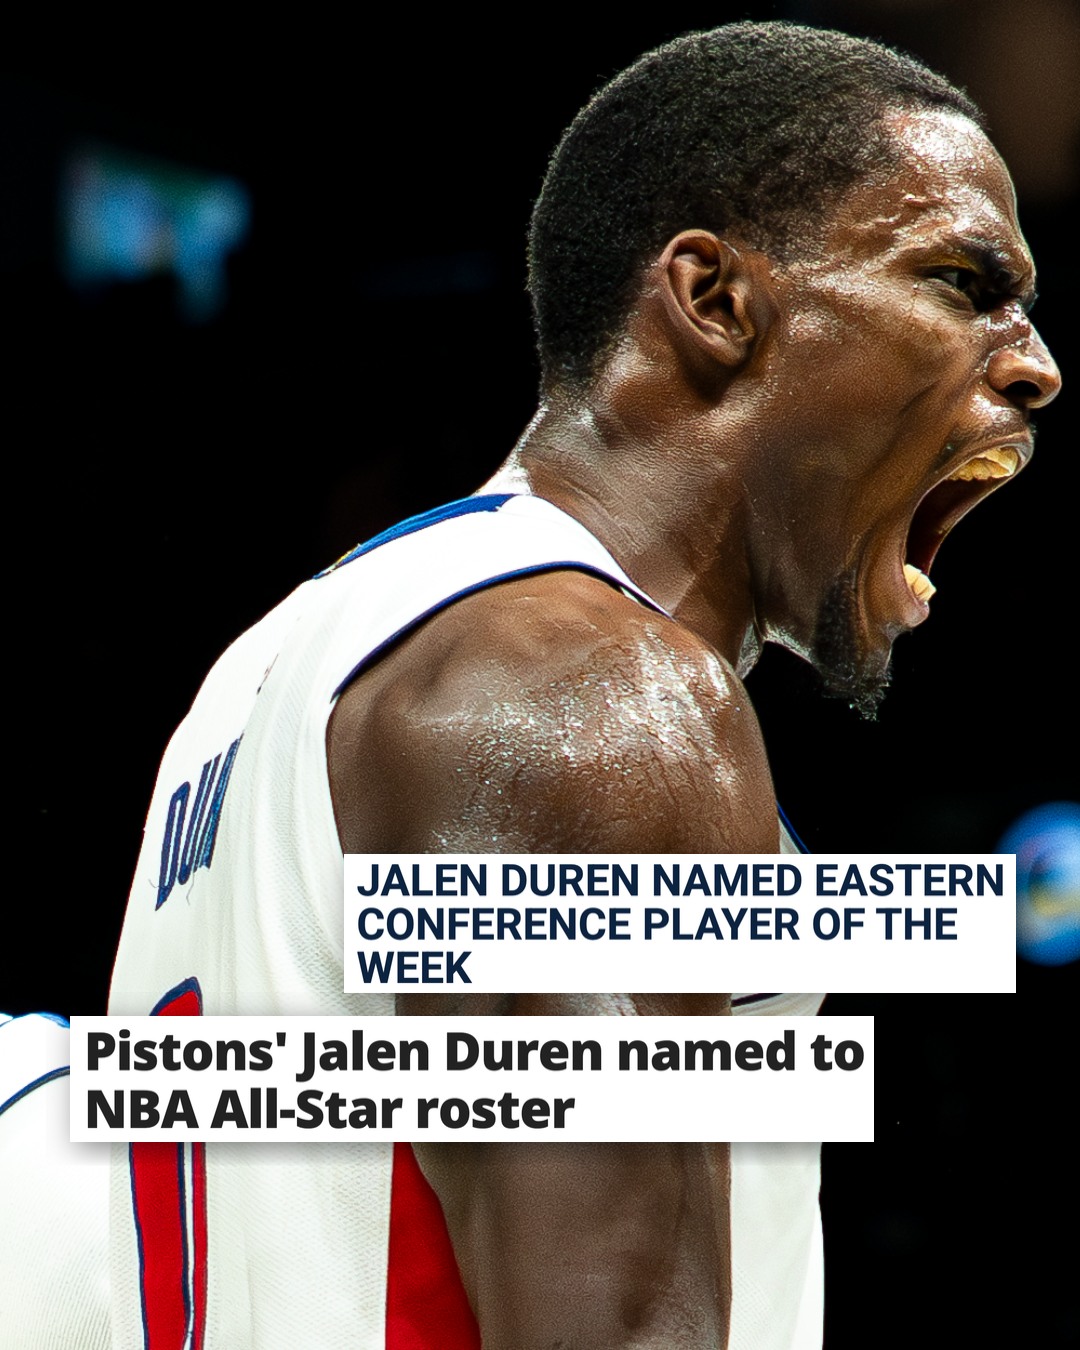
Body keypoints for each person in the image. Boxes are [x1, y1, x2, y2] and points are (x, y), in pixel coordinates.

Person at [106, 21, 1060, 1350]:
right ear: (715, 301)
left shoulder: (272, 664)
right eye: (962, 282)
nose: (1035, 362)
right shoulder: (601, 694)